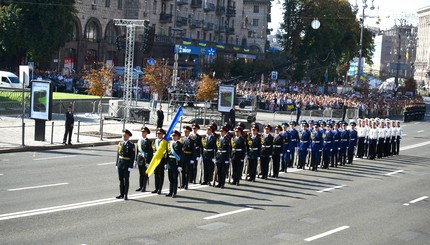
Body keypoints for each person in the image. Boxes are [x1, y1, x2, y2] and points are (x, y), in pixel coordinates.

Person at [116, 129, 136, 200]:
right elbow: (118, 154)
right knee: (121, 179)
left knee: (126, 180)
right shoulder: (120, 143)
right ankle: (121, 193)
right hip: (120, 163)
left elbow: (132, 156)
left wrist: (130, 166)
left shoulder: (131, 145)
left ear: (128, 136)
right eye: (123, 135)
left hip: (126, 164)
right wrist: (116, 164)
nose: (123, 137)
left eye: (125, 135)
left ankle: (125, 194)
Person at [135, 127, 153, 192]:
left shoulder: (148, 142)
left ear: (146, 133)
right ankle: (140, 186)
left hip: (145, 160)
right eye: (142, 132)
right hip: (139, 158)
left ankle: (144, 187)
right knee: (140, 174)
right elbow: (137, 151)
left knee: (145, 174)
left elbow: (150, 153)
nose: (142, 133)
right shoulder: (139, 141)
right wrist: (136, 160)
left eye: (144, 132)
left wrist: (148, 162)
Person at [166, 130, 183, 198]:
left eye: (175, 136)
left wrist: (180, 165)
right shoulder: (169, 143)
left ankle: (174, 192)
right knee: (170, 178)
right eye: (173, 136)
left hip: (175, 163)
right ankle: (170, 191)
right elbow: (167, 154)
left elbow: (182, 156)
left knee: (174, 178)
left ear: (178, 137)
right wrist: (166, 163)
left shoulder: (180, 144)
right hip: (170, 162)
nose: (173, 137)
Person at [152, 128, 167, 194]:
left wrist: (166, 162)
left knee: (161, 175)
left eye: (159, 134)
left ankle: (160, 189)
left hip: (161, 160)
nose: (158, 135)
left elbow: (166, 152)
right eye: (157, 133)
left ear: (162, 134)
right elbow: (152, 150)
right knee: (156, 174)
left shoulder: (164, 142)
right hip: (155, 160)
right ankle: (156, 188)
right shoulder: (154, 141)